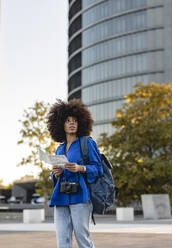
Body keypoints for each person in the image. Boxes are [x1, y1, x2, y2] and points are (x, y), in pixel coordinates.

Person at [47, 99, 103, 248]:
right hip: (61, 196)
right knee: (62, 241)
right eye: (67, 121)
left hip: (80, 196)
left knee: (82, 239)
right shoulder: (60, 149)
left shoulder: (87, 143)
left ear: (80, 124)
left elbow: (98, 169)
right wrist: (56, 173)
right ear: (61, 125)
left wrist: (80, 168)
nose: (72, 123)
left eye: (75, 121)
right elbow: (54, 177)